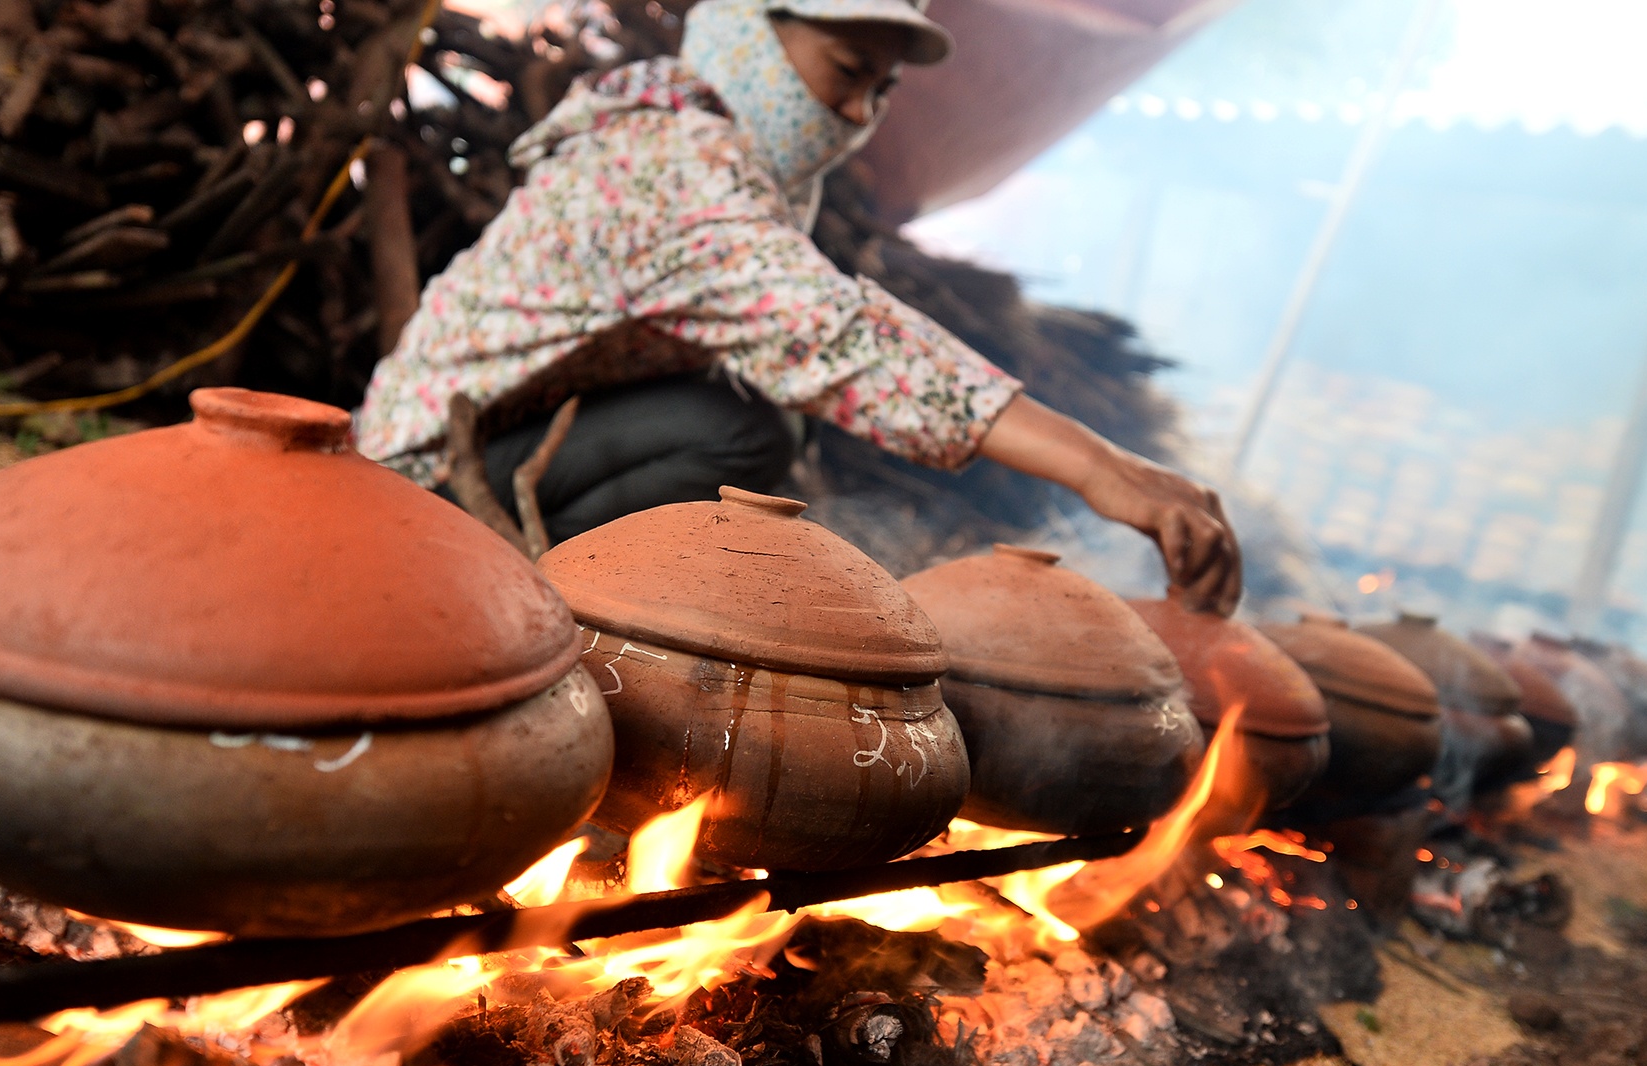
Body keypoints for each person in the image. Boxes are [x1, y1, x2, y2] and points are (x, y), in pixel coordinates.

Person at [355, 0, 1241, 611]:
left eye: (880, 92)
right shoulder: (673, 162)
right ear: (748, 33)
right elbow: (847, 342)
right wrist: (1098, 469)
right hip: (416, 489)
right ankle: (526, 610)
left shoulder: (693, 143)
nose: (857, 111)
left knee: (764, 419)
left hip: (506, 443)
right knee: (744, 432)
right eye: (847, 70)